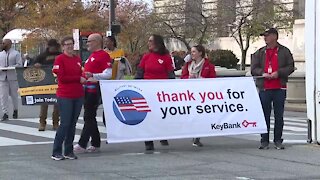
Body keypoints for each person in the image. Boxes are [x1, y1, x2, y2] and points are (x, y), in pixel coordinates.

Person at [251, 28, 295, 150]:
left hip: (279, 87)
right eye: (264, 36)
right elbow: (253, 68)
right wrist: (262, 73)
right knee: (264, 114)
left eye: (267, 35)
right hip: (265, 87)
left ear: (274, 36)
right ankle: (264, 140)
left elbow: (291, 67)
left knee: (278, 115)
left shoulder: (284, 51)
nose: (265, 38)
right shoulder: (260, 52)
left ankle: (277, 140)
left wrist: (279, 73)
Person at [135, 34, 175, 151]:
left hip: (161, 92)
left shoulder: (166, 57)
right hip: (147, 91)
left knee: (160, 114)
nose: (149, 43)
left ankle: (162, 134)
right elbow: (139, 73)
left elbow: (170, 75)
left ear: (158, 43)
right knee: (148, 116)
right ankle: (148, 141)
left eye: (151, 41)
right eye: (148, 41)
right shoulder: (146, 57)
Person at [73, 33, 112, 153]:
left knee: (89, 116)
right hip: (87, 88)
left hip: (95, 89)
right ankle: (95, 142)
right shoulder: (92, 56)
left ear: (96, 42)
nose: (87, 44)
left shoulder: (103, 55)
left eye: (89, 41)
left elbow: (108, 74)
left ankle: (82, 143)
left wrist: (94, 75)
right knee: (90, 116)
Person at [51, 36, 85, 161]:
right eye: (67, 44)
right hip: (65, 95)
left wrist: (84, 76)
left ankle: (68, 151)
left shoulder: (77, 59)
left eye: (71, 44)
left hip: (78, 94)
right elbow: (62, 78)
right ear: (63, 46)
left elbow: (80, 73)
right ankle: (56, 151)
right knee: (65, 124)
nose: (69, 46)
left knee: (72, 124)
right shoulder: (60, 59)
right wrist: (78, 78)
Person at [181, 45, 216, 147]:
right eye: (191, 52)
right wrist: (188, 77)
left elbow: (213, 79)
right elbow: (183, 77)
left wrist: (202, 80)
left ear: (200, 53)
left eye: (194, 52)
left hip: (202, 94)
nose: (192, 54)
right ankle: (193, 133)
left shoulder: (208, 65)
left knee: (200, 115)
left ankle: (197, 136)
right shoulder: (188, 65)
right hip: (190, 93)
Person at [34, 39, 61, 131]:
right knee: (44, 102)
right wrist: (36, 65)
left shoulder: (60, 55)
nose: (53, 48)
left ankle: (56, 123)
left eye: (55, 46)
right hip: (45, 83)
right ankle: (42, 123)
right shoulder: (42, 56)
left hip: (57, 82)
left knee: (57, 104)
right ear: (49, 46)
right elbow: (32, 64)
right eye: (51, 46)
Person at [0, 39, 22, 121]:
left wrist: (10, 68)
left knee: (14, 95)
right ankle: (5, 112)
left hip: (12, 77)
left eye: (4, 43)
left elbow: (19, 65)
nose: (2, 44)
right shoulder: (0, 54)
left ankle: (15, 109)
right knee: (3, 96)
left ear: (9, 44)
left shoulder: (16, 53)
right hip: (2, 78)